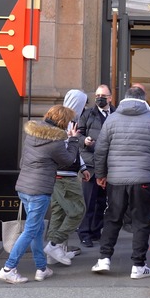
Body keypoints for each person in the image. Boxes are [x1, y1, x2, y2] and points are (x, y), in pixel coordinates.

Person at [90, 86, 150, 279]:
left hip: (116, 179)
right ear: (143, 99)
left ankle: (104, 259)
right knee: (142, 221)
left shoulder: (112, 119)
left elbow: (100, 150)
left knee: (112, 218)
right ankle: (138, 265)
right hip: (144, 179)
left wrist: (101, 174)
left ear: (124, 99)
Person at [0, 105, 80, 284]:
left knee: (37, 230)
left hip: (24, 187)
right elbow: (68, 160)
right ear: (63, 122)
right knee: (30, 231)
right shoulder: (56, 141)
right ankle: (8, 268)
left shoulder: (32, 134)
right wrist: (74, 140)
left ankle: (42, 268)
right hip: (39, 190)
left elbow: (22, 161)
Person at [43, 90, 90, 266]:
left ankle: (53, 252)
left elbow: (71, 150)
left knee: (58, 213)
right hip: (65, 176)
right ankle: (54, 246)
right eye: (83, 103)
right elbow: (67, 150)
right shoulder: (67, 123)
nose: (84, 107)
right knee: (77, 210)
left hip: (59, 175)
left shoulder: (62, 120)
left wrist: (82, 166)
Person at [76, 84, 115, 247]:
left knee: (102, 201)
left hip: (110, 165)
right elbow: (77, 133)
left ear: (110, 98)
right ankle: (84, 233)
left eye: (103, 96)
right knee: (88, 200)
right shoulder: (87, 114)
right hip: (91, 164)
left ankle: (96, 230)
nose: (99, 98)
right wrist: (84, 141)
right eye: (97, 95)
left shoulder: (116, 114)